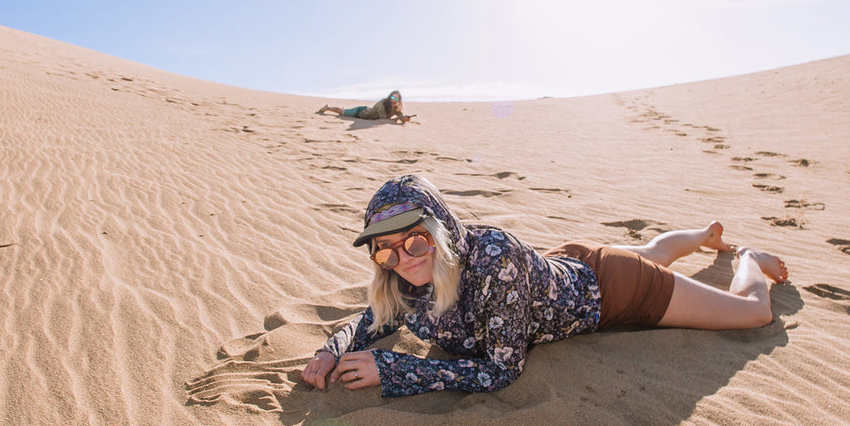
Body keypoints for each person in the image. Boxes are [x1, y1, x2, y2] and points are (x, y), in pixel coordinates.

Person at [301, 174, 788, 397]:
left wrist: (398, 368)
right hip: (564, 263)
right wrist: (330, 350)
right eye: (384, 250)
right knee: (654, 253)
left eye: (414, 240)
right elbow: (375, 318)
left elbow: (502, 371)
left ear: (441, 231)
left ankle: (749, 259)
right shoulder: (402, 274)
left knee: (751, 313)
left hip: (613, 291)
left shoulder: (494, 261)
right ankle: (704, 237)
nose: (402, 259)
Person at [316, 90, 413, 123]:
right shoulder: (382, 104)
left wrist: (404, 118)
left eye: (396, 99)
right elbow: (382, 120)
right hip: (360, 113)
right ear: (389, 97)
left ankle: (341, 108)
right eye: (392, 97)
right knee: (342, 112)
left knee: (343, 111)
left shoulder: (396, 107)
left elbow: (400, 116)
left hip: (367, 112)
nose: (394, 100)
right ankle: (328, 107)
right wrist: (397, 119)